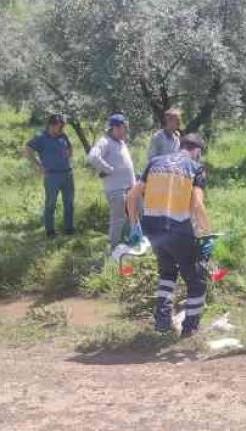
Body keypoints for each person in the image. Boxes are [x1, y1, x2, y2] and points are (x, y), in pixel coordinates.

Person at [126, 134, 214, 336]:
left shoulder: (154, 162)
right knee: (196, 279)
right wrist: (207, 234)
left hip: (153, 229)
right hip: (178, 230)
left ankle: (162, 322)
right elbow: (198, 205)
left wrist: (134, 225)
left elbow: (132, 195)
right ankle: (190, 329)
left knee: (167, 272)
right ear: (197, 151)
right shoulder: (195, 168)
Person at [87, 113, 136, 249]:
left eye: (125, 127)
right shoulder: (105, 141)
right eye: (122, 127)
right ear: (114, 128)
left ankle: (126, 245)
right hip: (116, 190)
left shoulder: (120, 142)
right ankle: (115, 249)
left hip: (129, 188)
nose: (125, 130)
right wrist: (108, 169)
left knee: (130, 217)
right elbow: (93, 157)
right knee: (118, 220)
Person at [23, 114, 75, 237]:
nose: (62, 128)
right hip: (52, 176)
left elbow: (70, 147)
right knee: (51, 203)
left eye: (63, 126)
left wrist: (68, 155)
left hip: (67, 174)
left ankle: (69, 228)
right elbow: (28, 150)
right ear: (50, 126)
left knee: (69, 203)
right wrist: (38, 165)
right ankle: (50, 231)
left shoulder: (63, 135)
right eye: (59, 126)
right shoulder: (40, 138)